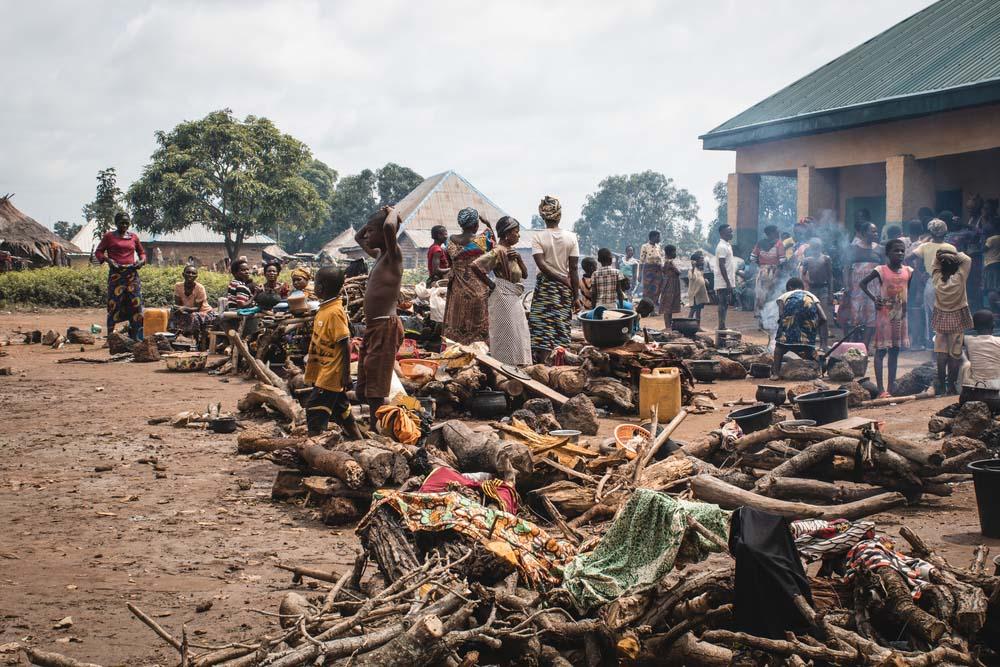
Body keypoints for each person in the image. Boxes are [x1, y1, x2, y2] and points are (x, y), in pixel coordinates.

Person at [355, 206, 405, 425]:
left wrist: (394, 212)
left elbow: (388, 226)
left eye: (371, 231)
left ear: (385, 235)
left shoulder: (394, 256)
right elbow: (358, 237)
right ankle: (379, 421)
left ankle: (382, 429)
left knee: (376, 388)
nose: (367, 235)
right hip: (374, 327)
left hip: (386, 326)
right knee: (363, 388)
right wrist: (369, 224)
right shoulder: (379, 255)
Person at [304, 266, 363, 439]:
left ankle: (312, 452)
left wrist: (345, 375)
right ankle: (359, 442)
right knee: (342, 411)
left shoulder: (334, 312)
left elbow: (346, 343)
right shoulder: (325, 309)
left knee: (314, 410)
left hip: (331, 373)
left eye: (315, 283)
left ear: (320, 287)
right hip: (325, 370)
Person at [472, 216, 532, 366]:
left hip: (513, 295)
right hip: (503, 296)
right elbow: (476, 266)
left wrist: (519, 259)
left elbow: (524, 275)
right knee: (507, 332)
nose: (518, 235)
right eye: (516, 232)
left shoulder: (512, 252)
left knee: (518, 331)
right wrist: (491, 285)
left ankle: (518, 365)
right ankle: (505, 366)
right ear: (507, 234)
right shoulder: (498, 252)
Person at [528, 196, 579, 360]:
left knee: (542, 330)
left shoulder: (538, 237)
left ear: (542, 216)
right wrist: (575, 294)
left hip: (545, 288)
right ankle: (560, 365)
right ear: (560, 215)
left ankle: (543, 366)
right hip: (564, 289)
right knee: (560, 327)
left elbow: (542, 265)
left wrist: (563, 281)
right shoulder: (571, 237)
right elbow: (574, 268)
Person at [860, 239, 912, 396]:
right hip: (884, 315)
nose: (900, 253)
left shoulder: (909, 271)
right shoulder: (881, 270)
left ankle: (891, 387)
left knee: (895, 350)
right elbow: (863, 284)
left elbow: (907, 291)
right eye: (896, 250)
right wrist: (874, 298)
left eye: (902, 250)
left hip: (900, 315)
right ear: (888, 253)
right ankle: (881, 389)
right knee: (881, 350)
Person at [443, 207, 493, 344]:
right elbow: (494, 250)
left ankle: (453, 355)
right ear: (476, 225)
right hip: (479, 290)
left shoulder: (450, 241)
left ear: (461, 225)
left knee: (455, 325)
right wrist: (488, 223)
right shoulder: (483, 240)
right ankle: (478, 358)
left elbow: (449, 262)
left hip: (457, 291)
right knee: (478, 330)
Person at [94, 212, 146, 339]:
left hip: (132, 275)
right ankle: (111, 338)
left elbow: (142, 253)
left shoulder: (133, 237)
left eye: (127, 222)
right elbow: (99, 252)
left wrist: (141, 261)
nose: (124, 225)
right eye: (121, 222)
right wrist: (109, 260)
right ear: (116, 223)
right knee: (114, 305)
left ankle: (136, 336)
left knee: (136, 305)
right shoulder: (109, 237)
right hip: (116, 275)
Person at [930, 248, 973, 395]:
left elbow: (934, 264)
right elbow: (967, 259)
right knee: (955, 354)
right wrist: (955, 255)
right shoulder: (960, 278)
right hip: (957, 319)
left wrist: (941, 255)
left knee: (941, 354)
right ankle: (951, 386)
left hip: (941, 319)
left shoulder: (937, 280)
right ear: (956, 266)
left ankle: (941, 386)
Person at [908, 219, 956, 345]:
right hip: (948, 282)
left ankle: (933, 345)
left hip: (931, 282)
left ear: (930, 232)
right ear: (945, 231)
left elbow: (907, 259)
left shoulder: (924, 246)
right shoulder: (951, 248)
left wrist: (919, 274)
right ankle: (946, 343)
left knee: (930, 315)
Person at [771, 277, 828, 380]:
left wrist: (782, 325)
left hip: (788, 335)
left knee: (779, 348)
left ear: (790, 287)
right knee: (809, 350)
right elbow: (823, 318)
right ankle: (819, 369)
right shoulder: (812, 296)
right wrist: (813, 328)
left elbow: (781, 315)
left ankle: (775, 373)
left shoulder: (784, 296)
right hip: (807, 336)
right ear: (803, 287)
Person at [845, 222, 883, 347]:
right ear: (863, 233)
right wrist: (847, 286)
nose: (876, 234)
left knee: (871, 318)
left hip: (874, 287)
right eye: (873, 231)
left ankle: (864, 346)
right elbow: (846, 268)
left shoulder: (879, 248)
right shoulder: (853, 248)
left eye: (876, 231)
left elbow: (882, 269)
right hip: (856, 288)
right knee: (855, 316)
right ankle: (853, 345)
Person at [170, 264, 216, 340]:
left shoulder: (200, 288)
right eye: (188, 272)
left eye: (193, 273)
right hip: (189, 312)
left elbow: (197, 308)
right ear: (183, 274)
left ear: (196, 276)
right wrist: (178, 308)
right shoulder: (178, 286)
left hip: (205, 313)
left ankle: (194, 340)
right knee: (172, 311)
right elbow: (177, 304)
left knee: (194, 316)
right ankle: (172, 335)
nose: (190, 275)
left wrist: (184, 308)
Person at [750, 225, 784, 318]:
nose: (778, 233)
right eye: (777, 231)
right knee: (772, 294)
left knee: (761, 294)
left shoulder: (760, 243)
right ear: (772, 233)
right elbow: (782, 261)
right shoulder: (779, 243)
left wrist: (761, 266)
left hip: (762, 271)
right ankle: (770, 318)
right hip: (774, 272)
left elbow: (752, 258)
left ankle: (760, 318)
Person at [961, 310, 1000, 389]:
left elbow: (955, 339)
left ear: (974, 326)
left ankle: (953, 388)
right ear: (993, 325)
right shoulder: (998, 341)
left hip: (978, 386)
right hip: (997, 386)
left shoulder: (968, 340)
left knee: (964, 360)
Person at [800, 242, 833, 322]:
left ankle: (824, 329)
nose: (816, 250)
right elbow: (803, 275)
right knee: (812, 310)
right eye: (814, 248)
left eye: (817, 248)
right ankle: (815, 330)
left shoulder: (826, 258)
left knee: (823, 310)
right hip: (812, 288)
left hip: (823, 287)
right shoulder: (807, 260)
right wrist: (809, 281)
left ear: (820, 248)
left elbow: (830, 276)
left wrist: (830, 292)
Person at [638, 231, 665, 311]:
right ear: (653, 237)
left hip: (658, 270)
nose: (659, 239)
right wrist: (639, 274)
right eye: (658, 237)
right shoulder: (645, 246)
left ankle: (653, 309)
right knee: (648, 290)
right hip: (648, 270)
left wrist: (663, 270)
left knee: (657, 289)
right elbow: (641, 261)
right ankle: (645, 309)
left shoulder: (659, 247)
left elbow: (661, 260)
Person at [716, 224, 736, 330]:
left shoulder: (727, 245)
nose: (731, 233)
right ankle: (721, 326)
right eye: (729, 231)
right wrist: (727, 282)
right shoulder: (722, 246)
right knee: (722, 302)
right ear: (722, 233)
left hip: (726, 280)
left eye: (731, 231)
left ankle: (722, 325)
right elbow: (721, 264)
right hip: (723, 281)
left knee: (725, 303)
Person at [660, 244, 681, 329]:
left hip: (672, 285)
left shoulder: (669, 261)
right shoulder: (669, 262)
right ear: (670, 252)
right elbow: (678, 272)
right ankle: (667, 327)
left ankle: (669, 326)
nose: (675, 253)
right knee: (667, 306)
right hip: (669, 285)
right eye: (674, 251)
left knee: (670, 306)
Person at [687, 251, 710, 325]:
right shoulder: (691, 270)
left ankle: (697, 326)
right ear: (695, 261)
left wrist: (705, 280)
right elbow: (692, 277)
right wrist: (693, 268)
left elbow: (700, 279)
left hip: (700, 294)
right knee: (693, 310)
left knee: (699, 310)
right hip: (695, 294)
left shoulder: (700, 271)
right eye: (701, 260)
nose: (702, 261)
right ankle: (687, 324)